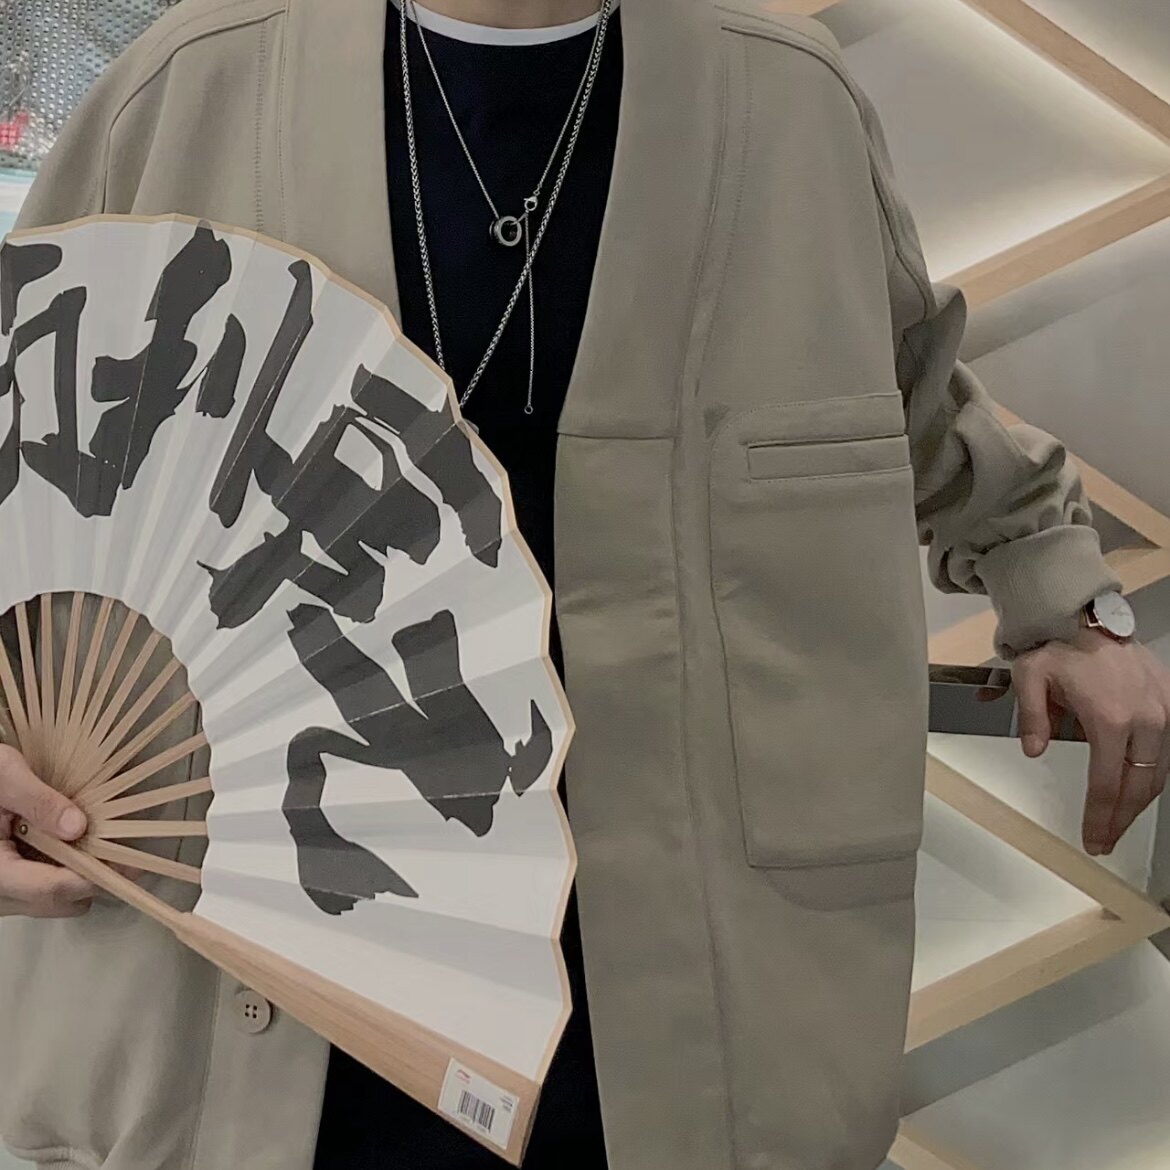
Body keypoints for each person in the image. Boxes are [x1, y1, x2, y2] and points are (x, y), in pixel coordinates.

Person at [1, 2, 1168, 1169]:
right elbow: (33, 423)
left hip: (669, 962)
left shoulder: (782, 93)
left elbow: (904, 385)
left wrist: (1068, 602)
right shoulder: (190, 87)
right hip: (273, 955)